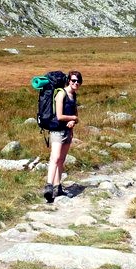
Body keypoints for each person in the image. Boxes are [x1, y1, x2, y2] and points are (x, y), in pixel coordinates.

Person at [43, 70, 82, 203]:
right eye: (73, 80)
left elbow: (76, 117)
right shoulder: (61, 94)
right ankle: (48, 187)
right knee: (55, 158)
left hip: (67, 132)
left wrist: (73, 121)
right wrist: (73, 118)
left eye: (78, 81)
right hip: (57, 131)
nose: (76, 83)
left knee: (61, 160)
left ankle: (57, 187)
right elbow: (59, 116)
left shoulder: (74, 95)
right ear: (68, 81)